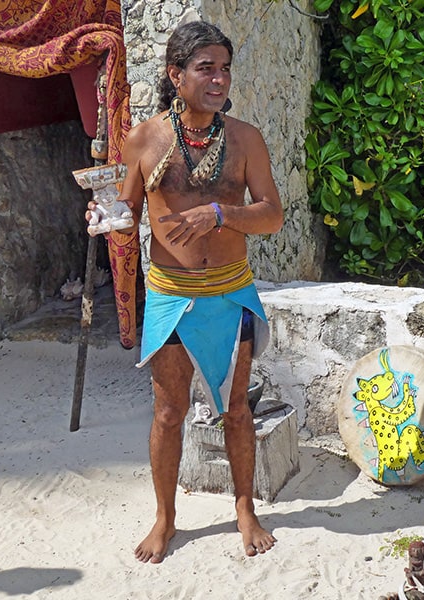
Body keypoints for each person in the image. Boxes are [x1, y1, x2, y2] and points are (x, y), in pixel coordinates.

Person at [86, 20, 283, 563]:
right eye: (206, 68)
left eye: (225, 69)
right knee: (169, 413)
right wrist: (104, 216)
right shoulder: (145, 139)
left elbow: (272, 216)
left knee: (236, 411)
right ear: (176, 75)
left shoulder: (245, 138)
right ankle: (166, 519)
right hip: (171, 296)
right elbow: (125, 215)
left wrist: (222, 212)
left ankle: (245, 509)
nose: (219, 79)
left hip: (229, 294)